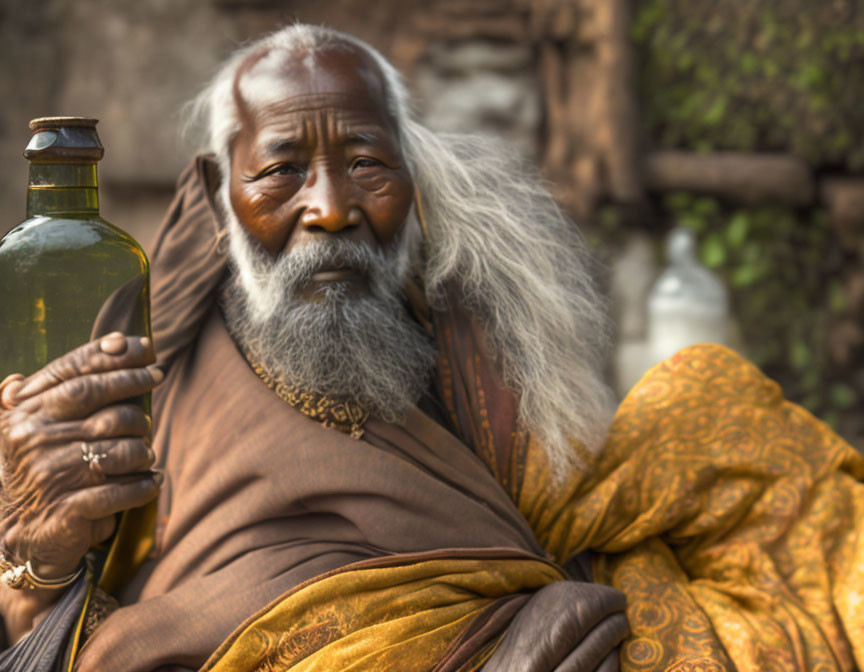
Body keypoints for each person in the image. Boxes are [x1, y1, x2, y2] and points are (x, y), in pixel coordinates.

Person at [0, 24, 862, 672]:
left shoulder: (467, 321)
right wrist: (36, 558)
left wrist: (553, 608)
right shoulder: (133, 342)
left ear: (413, 186)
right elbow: (38, 613)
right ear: (225, 200)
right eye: (282, 169)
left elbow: (561, 522)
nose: (331, 207)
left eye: (368, 164)